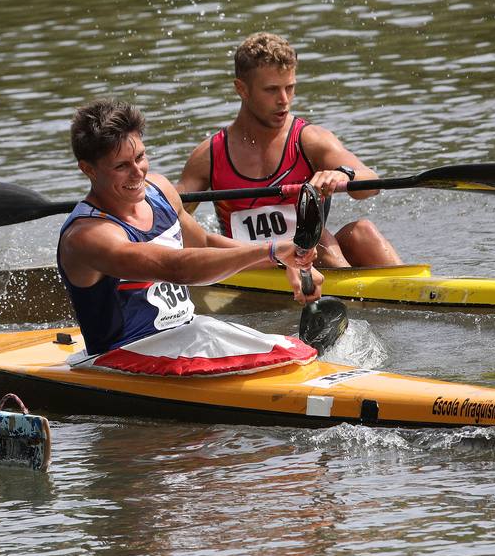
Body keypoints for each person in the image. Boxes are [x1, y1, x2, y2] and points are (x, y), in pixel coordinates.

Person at [58, 99, 323, 376]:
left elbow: (205, 244)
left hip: (184, 335)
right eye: (121, 166)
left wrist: (285, 261)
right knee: (287, 356)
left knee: (291, 348)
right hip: (122, 355)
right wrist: (270, 250)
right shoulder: (88, 236)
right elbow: (177, 268)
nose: (138, 173)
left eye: (140, 157)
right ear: (88, 169)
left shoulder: (159, 190)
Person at [179, 32, 400, 268]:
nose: (284, 99)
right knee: (321, 240)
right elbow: (172, 214)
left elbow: (372, 183)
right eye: (271, 90)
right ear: (242, 89)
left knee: (362, 233)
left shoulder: (310, 140)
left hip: (311, 258)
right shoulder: (210, 156)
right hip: (248, 266)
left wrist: (345, 175)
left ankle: (419, 293)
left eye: (290, 88)